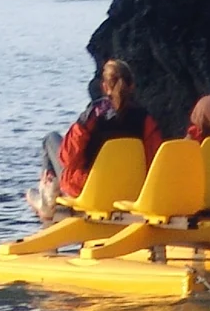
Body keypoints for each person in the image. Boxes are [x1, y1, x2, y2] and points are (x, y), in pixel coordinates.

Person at [29, 59, 166, 223]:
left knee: (50, 139)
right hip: (133, 189)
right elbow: (154, 159)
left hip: (90, 190)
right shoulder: (145, 119)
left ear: (104, 86)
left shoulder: (93, 115)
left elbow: (67, 157)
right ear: (132, 86)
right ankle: (49, 191)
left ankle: (47, 195)